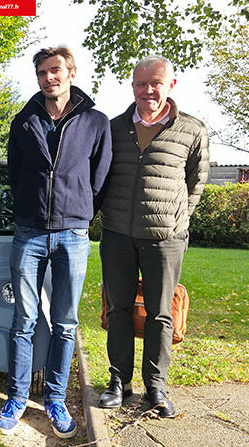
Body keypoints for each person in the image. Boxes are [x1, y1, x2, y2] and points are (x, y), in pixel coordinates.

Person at [0, 46, 112, 438]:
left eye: (56, 70)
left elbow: (101, 175)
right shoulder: (23, 120)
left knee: (64, 322)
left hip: (73, 236)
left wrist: (81, 211)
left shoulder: (95, 121)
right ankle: (16, 397)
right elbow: (16, 173)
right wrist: (30, 207)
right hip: (28, 233)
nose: (49, 78)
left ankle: (55, 400)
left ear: (72, 73)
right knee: (23, 320)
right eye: (42, 72)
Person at [98, 55, 209, 417]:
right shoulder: (113, 128)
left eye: (156, 82)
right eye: (141, 83)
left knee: (160, 314)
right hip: (116, 234)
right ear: (132, 86)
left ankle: (156, 387)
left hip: (165, 239)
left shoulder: (192, 130)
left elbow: (197, 181)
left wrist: (178, 219)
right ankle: (118, 382)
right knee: (118, 310)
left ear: (170, 85)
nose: (148, 90)